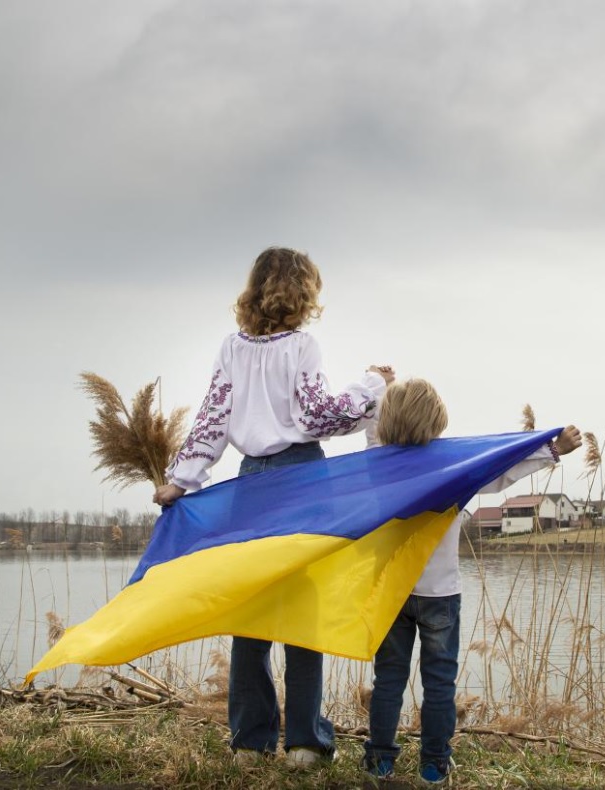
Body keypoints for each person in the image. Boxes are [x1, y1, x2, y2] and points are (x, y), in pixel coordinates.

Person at [153, 246, 395, 767]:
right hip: (303, 477)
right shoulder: (303, 347)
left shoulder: (231, 348)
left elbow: (212, 420)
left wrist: (180, 480)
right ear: (305, 293)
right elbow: (317, 417)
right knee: (302, 608)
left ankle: (250, 743)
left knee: (253, 606)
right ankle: (305, 743)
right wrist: (374, 385)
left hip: (251, 483)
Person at [361, 378, 582, 785]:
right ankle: (434, 765)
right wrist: (552, 450)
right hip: (440, 597)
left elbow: (375, 432)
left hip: (393, 592)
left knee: (388, 679)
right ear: (437, 422)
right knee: (440, 683)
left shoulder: (377, 466)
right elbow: (503, 471)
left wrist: (381, 387)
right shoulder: (452, 469)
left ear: (387, 420)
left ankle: (379, 762)